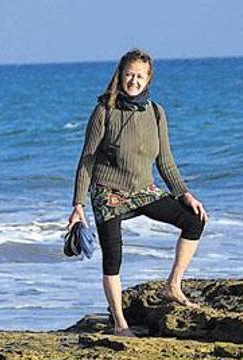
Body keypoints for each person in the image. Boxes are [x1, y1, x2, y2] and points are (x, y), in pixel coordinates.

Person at [67, 49, 208, 336]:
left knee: (194, 220)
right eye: (129, 74)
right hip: (109, 194)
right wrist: (78, 205)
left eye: (140, 76)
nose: (134, 80)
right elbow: (87, 160)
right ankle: (120, 323)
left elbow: (165, 161)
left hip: (144, 191)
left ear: (148, 80)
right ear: (120, 74)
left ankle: (173, 286)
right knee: (113, 257)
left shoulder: (156, 113)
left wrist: (185, 194)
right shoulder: (104, 111)